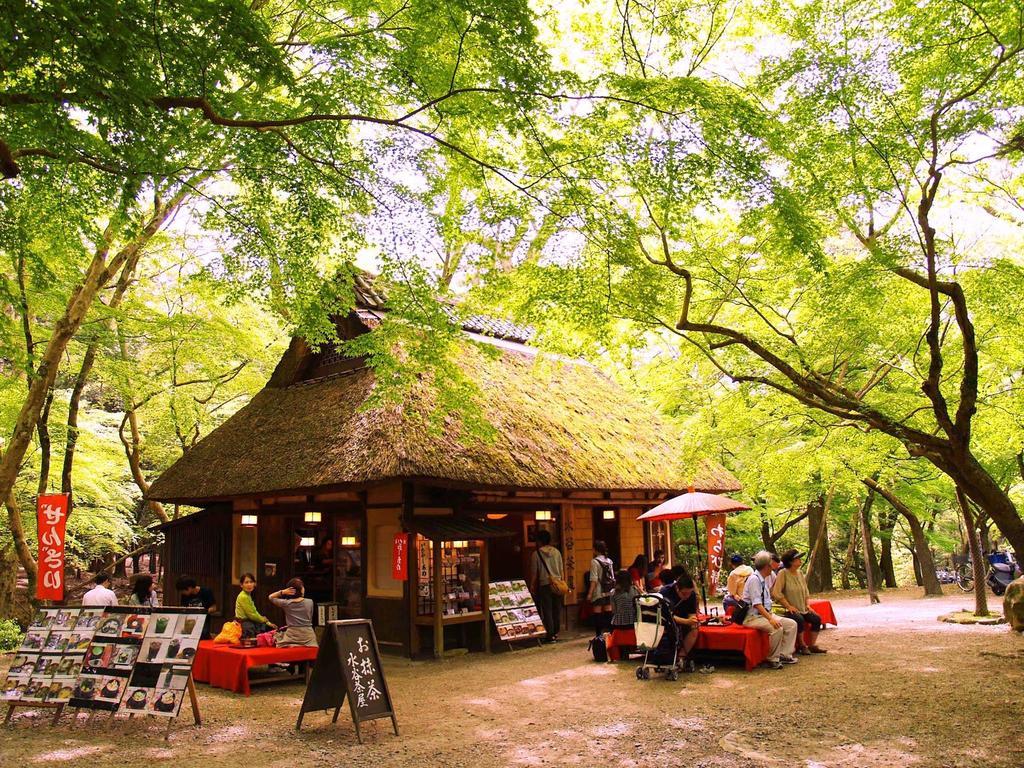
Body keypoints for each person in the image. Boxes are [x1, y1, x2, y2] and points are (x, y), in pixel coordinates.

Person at [742, 550, 799, 669]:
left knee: (791, 624)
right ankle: (772, 659)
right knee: (776, 628)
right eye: (771, 564)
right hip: (752, 617)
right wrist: (771, 619)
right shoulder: (754, 579)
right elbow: (757, 604)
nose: (773, 567)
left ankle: (784, 654)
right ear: (766, 566)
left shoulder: (764, 578)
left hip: (765, 614)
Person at [772, 549, 826, 655]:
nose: (800, 560)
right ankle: (802, 645)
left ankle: (812, 645)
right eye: (797, 558)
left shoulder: (800, 573)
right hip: (787, 609)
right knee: (799, 619)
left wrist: (807, 605)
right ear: (791, 562)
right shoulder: (783, 573)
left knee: (816, 619)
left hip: (802, 607)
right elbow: (776, 593)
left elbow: (805, 591)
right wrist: (788, 606)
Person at [657, 573, 710, 673]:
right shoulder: (665, 592)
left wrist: (692, 620)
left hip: (683, 619)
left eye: (689, 593)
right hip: (666, 621)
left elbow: (691, 614)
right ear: (677, 588)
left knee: (695, 628)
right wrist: (686, 621)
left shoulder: (691, 595)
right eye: (684, 593)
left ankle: (681, 657)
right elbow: (666, 616)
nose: (687, 596)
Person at [529, 529, 565, 643]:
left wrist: (532, 585)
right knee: (556, 609)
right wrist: (561, 582)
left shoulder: (536, 554)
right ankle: (555, 632)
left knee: (547, 609)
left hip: (545, 584)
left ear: (539, 541)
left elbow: (534, 573)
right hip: (558, 584)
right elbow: (561, 569)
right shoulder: (557, 552)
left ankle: (550, 635)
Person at [269, 578, 317, 647]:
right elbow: (310, 616)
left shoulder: (286, 603)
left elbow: (271, 597)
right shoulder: (310, 602)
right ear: (301, 589)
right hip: (308, 637)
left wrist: (282, 592)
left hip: (292, 636)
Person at [606, 569, 638, 661]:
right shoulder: (634, 590)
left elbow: (614, 610)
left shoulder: (613, 592)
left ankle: (620, 651)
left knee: (611, 622)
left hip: (619, 624)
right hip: (633, 623)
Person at [587, 541, 615, 635]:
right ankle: (611, 634)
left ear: (595, 550)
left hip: (599, 590)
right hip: (608, 590)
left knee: (597, 613)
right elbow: (612, 577)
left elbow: (594, 579)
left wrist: (590, 593)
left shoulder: (594, 562)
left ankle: (598, 635)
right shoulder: (609, 561)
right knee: (608, 612)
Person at [235, 573, 276, 637]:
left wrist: (268, 622)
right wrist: (263, 620)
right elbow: (251, 615)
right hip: (244, 622)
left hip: (250, 620)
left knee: (269, 627)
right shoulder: (243, 596)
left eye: (251, 582)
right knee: (251, 632)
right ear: (241, 585)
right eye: (246, 582)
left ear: (254, 584)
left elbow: (255, 612)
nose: (249, 584)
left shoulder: (248, 595)